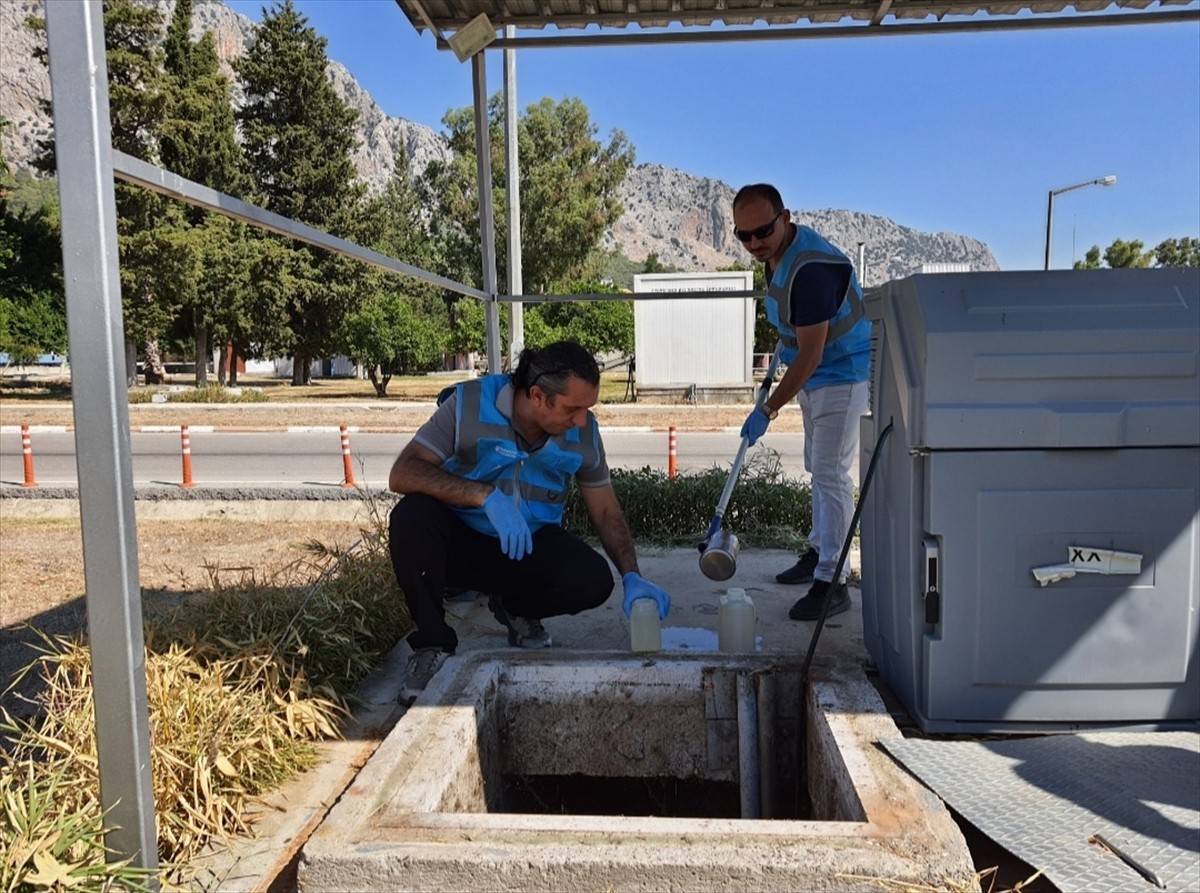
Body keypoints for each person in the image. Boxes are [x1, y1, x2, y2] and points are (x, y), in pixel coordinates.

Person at [387, 340, 672, 704]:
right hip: (460, 544)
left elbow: (605, 511)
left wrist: (632, 574)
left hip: (526, 546)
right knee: (412, 517)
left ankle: (516, 608)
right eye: (573, 409)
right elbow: (403, 472)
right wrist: (483, 496)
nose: (582, 420)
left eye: (587, 408)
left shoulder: (584, 432)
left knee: (593, 580)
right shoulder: (467, 405)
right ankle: (432, 644)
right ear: (537, 396)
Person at [732, 183, 872, 621]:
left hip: (840, 375)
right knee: (818, 466)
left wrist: (767, 409)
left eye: (762, 232)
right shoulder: (775, 256)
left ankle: (834, 580)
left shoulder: (811, 270)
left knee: (831, 473)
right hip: (817, 377)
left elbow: (812, 355)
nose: (754, 243)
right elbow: (792, 326)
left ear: (786, 218)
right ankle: (818, 552)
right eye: (744, 236)